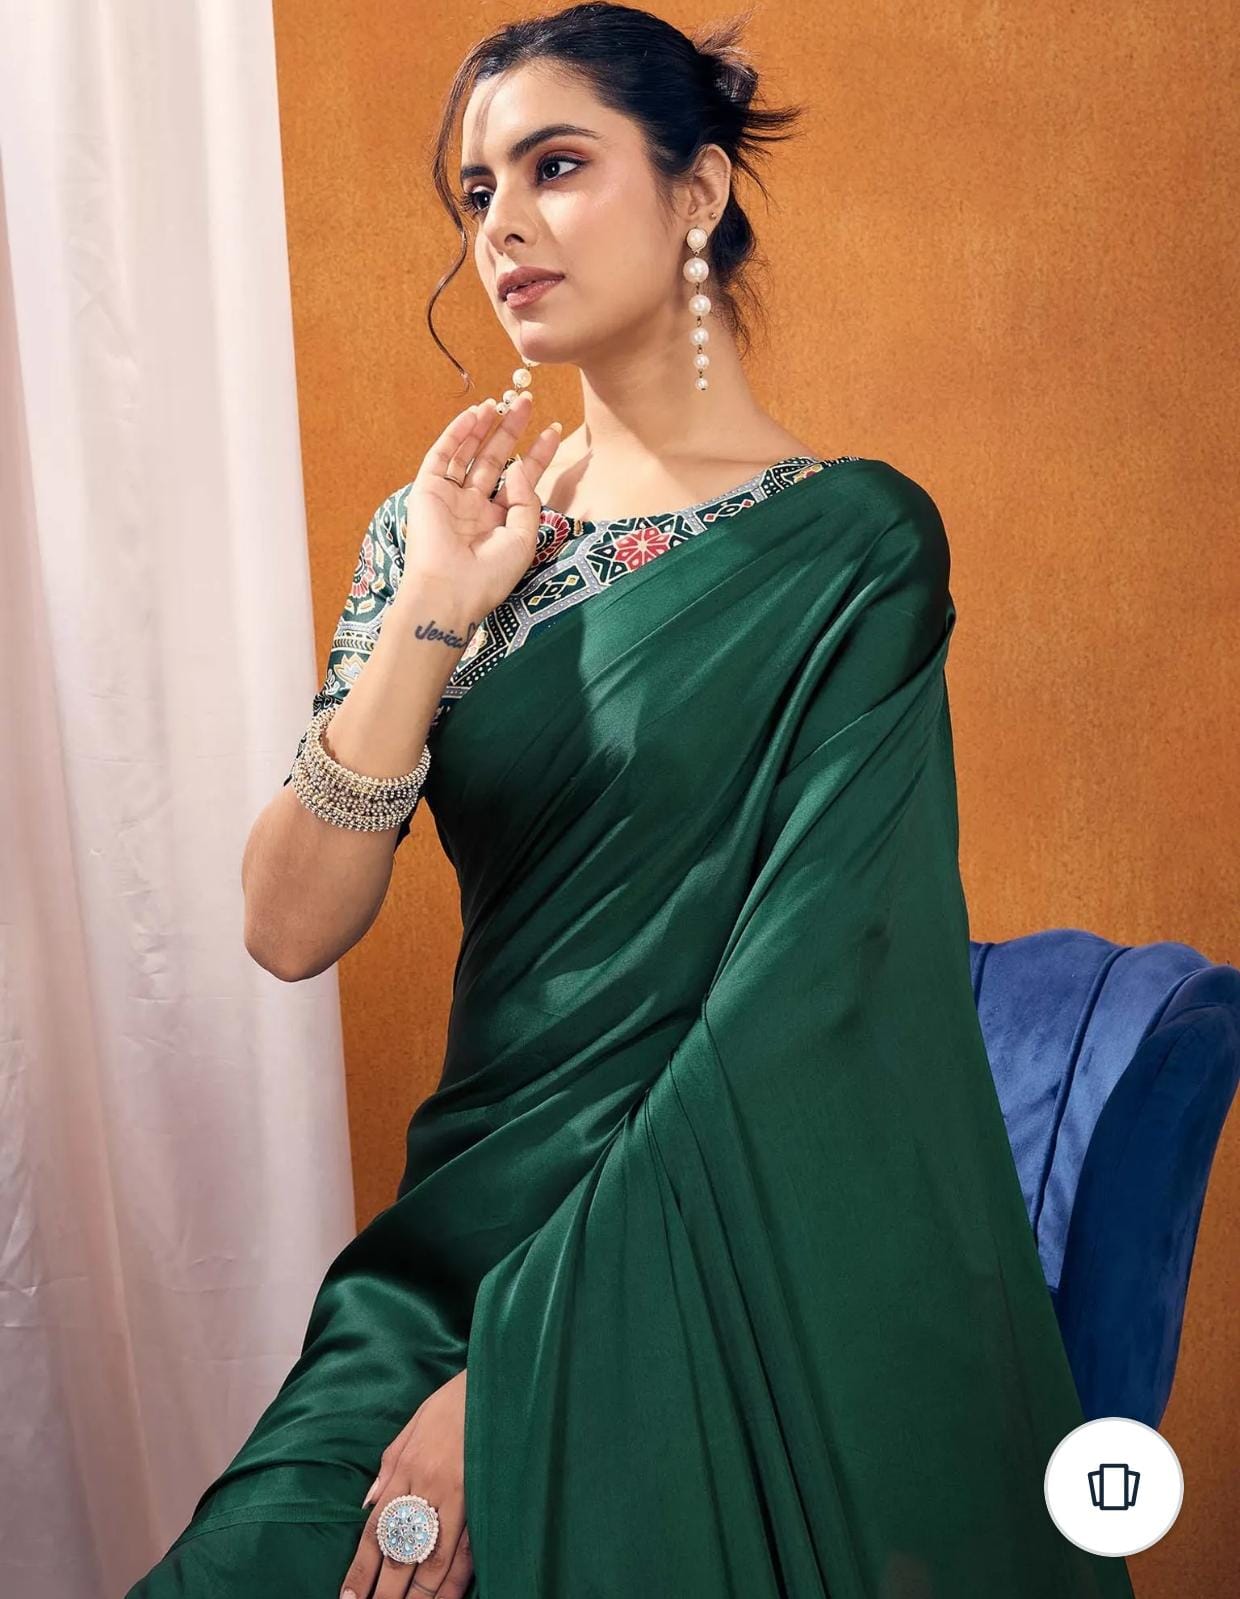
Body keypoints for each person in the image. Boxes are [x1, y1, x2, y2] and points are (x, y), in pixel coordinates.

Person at [126, 5, 1137, 1597]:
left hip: (717, 1249)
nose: (502, 225)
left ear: (698, 192)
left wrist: (528, 1377)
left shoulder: (855, 548)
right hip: (449, 1262)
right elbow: (287, 929)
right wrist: (431, 609)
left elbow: (796, 1001)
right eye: (477, 192)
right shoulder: (440, 537)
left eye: (557, 166)